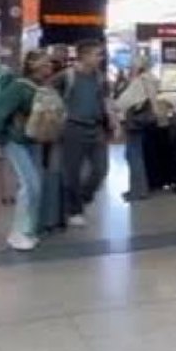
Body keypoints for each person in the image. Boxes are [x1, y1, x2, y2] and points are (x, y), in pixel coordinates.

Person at [0, 50, 53, 251]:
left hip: (33, 141)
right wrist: (2, 138)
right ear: (33, 66)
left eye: (49, 64)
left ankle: (28, 229)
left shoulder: (40, 87)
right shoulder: (18, 87)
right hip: (17, 142)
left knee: (35, 186)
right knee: (30, 185)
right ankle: (18, 233)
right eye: (44, 64)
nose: (48, 68)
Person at [52, 41, 115, 228]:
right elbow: (47, 94)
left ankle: (83, 197)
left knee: (100, 169)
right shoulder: (66, 76)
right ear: (85, 56)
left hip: (96, 128)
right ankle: (75, 210)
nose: (100, 58)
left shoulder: (100, 78)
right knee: (72, 172)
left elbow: (105, 101)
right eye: (97, 54)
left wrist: (112, 120)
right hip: (73, 128)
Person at [116, 55, 160, 203]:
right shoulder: (148, 79)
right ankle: (138, 188)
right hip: (141, 120)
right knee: (135, 154)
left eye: (132, 65)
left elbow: (125, 101)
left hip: (134, 120)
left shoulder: (141, 80)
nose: (130, 68)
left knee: (133, 155)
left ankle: (138, 190)